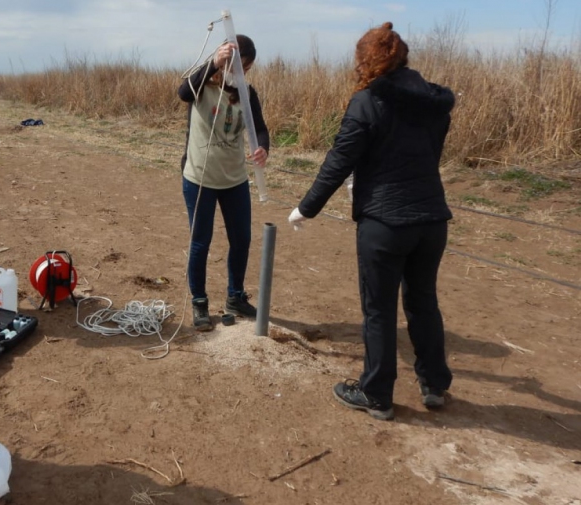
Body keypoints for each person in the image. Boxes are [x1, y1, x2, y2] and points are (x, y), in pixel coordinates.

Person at [288, 22, 455, 420]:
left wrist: (306, 207)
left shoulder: (367, 101)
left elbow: (339, 162)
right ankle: (434, 383)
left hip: (385, 222)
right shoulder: (435, 101)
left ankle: (376, 393)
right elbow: (425, 156)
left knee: (378, 309)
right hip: (432, 219)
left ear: (367, 60)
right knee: (423, 301)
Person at [178, 34, 270, 331]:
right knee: (200, 242)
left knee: (241, 239)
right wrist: (212, 63)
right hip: (200, 178)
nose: (241, 72)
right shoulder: (201, 85)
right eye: (237, 65)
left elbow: (260, 129)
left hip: (235, 179)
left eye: (247, 67)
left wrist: (263, 148)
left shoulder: (247, 93)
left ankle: (235, 297)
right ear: (225, 59)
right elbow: (182, 93)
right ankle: (200, 302)